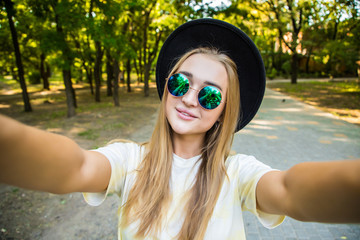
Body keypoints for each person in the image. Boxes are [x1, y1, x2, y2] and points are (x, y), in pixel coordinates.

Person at [0, 19, 359, 240]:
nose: (189, 99)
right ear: (166, 88)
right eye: (180, 84)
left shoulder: (236, 173)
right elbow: (75, 167)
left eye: (208, 94)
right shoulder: (128, 160)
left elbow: (289, 191)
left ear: (223, 112)